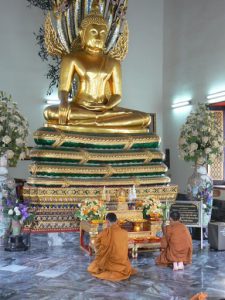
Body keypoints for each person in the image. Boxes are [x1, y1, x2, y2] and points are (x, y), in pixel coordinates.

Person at [44, 1, 150, 132]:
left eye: (103, 33)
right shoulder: (72, 58)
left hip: (105, 110)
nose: (99, 37)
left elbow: (117, 95)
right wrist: (64, 102)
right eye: (94, 32)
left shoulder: (113, 62)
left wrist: (106, 108)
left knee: (144, 118)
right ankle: (98, 122)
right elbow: (64, 89)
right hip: (79, 108)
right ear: (82, 33)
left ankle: (95, 122)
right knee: (50, 112)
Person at [87, 212, 136, 281]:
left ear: (107, 222)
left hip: (109, 262)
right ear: (116, 221)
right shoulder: (124, 233)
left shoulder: (104, 232)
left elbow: (96, 243)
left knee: (95, 265)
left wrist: (101, 250)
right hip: (122, 262)